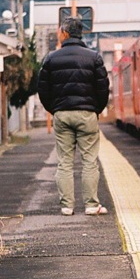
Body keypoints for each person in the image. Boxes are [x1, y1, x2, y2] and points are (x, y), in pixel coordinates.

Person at [37, 17, 110, 216]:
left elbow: (42, 89)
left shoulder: (51, 58)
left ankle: (67, 206)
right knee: (89, 160)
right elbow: (103, 88)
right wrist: (95, 109)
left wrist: (54, 109)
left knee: (65, 161)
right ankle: (91, 205)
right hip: (87, 113)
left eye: (60, 30)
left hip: (62, 114)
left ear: (65, 33)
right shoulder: (94, 57)